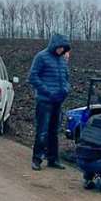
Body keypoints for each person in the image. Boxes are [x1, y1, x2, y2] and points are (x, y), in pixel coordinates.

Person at [28, 33, 71, 171]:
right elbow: (32, 77)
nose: (61, 50)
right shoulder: (41, 57)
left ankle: (53, 159)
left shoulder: (62, 60)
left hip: (58, 101)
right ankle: (37, 159)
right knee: (42, 131)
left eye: (63, 48)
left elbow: (66, 78)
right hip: (45, 101)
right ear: (54, 46)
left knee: (54, 131)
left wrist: (65, 90)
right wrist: (48, 92)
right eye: (59, 47)